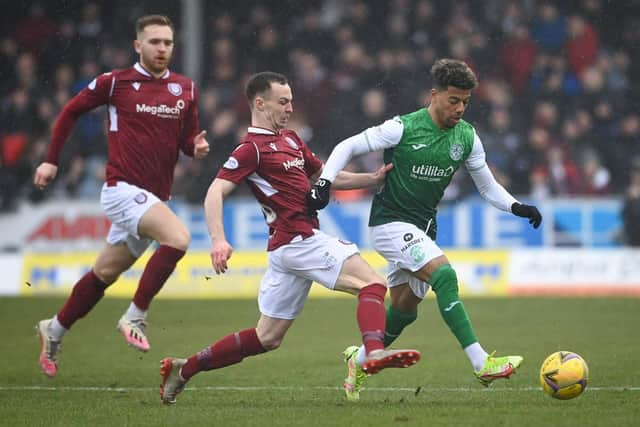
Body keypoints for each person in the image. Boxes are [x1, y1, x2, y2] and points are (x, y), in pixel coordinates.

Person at [159, 71, 420, 404]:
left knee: (267, 338)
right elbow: (215, 191)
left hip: (288, 249)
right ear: (259, 103)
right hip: (299, 240)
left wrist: (371, 178)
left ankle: (183, 369)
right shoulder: (250, 149)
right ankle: (371, 352)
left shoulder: (292, 140)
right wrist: (218, 240)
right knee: (372, 284)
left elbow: (327, 176)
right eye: (283, 102)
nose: (289, 107)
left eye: (291, 101)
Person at [307, 59, 543, 401]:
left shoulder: (467, 137)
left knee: (404, 310)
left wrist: (517, 207)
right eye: (453, 101)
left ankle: (357, 360)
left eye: (465, 102)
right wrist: (325, 182)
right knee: (444, 276)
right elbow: (347, 146)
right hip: (389, 224)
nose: (460, 108)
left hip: (422, 228)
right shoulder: (402, 127)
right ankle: (481, 363)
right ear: (435, 95)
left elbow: (487, 186)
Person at [33, 15, 210, 377]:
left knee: (104, 274)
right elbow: (70, 111)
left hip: (154, 197)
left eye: (168, 43)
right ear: (138, 46)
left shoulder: (185, 89)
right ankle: (135, 315)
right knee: (178, 238)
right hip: (121, 190)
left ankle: (54, 328)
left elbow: (186, 142)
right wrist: (51, 161)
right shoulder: (115, 83)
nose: (162, 48)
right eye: (155, 42)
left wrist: (197, 147)